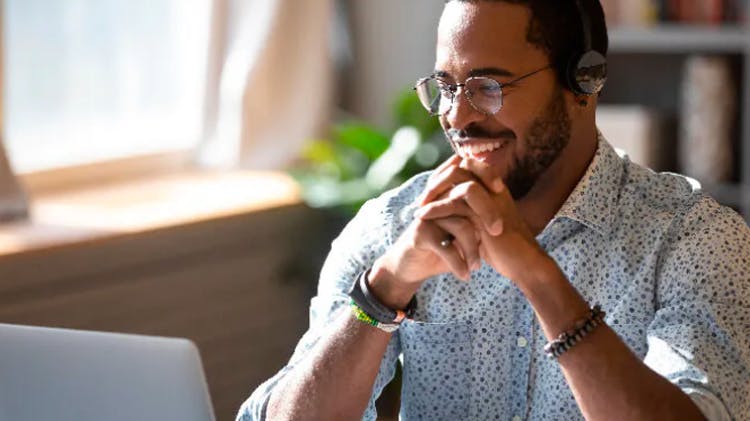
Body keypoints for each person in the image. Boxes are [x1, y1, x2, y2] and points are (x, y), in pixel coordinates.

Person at [238, 0, 750, 419]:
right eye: (445, 87)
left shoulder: (697, 241)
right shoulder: (394, 227)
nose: (457, 116)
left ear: (584, 82)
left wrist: (537, 275)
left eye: (488, 87)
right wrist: (384, 289)